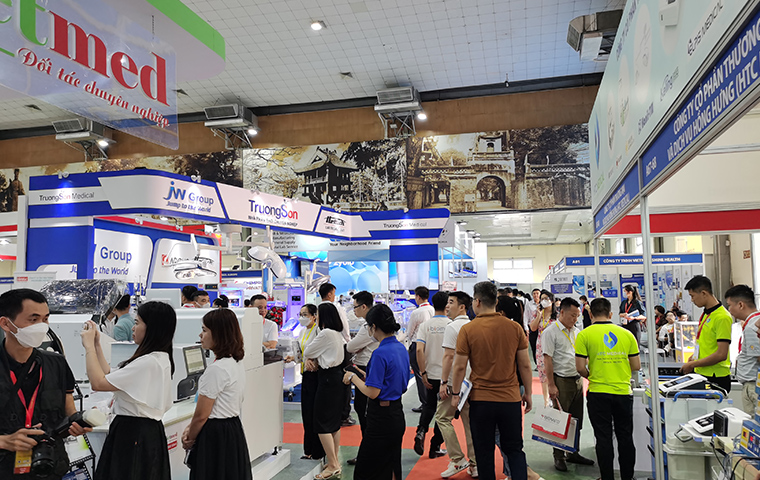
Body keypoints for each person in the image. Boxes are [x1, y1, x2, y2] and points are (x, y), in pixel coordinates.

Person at [0, 289, 91, 480]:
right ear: (5, 323)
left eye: (45, 319)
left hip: (50, 465)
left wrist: (77, 423)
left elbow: (69, 411)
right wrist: (4, 441)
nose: (42, 326)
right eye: (33, 319)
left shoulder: (56, 363)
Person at [81, 301, 176, 480]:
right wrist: (97, 346)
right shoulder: (157, 358)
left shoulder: (148, 362)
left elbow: (98, 383)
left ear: (152, 328)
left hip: (133, 433)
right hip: (142, 432)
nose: (133, 328)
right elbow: (109, 375)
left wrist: (88, 348)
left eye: (137, 323)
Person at [452, 282, 533, 480]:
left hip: (481, 401)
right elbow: (525, 365)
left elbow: (459, 367)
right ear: (496, 301)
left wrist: (455, 394)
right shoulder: (515, 328)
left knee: (484, 452)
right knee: (514, 449)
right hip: (510, 399)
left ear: (477, 301)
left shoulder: (468, 330)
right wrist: (529, 393)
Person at [182, 309, 251, 480]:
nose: (200, 335)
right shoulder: (235, 363)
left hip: (215, 434)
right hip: (232, 429)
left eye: (204, 330)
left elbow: (201, 415)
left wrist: (190, 438)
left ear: (219, 334)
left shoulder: (217, 369)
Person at [575, 298, 640, 480]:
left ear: (590, 314)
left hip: (598, 393)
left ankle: (607, 477)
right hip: (623, 392)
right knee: (625, 437)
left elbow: (580, 367)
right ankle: (627, 477)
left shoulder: (584, 335)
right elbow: (636, 365)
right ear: (610, 314)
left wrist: (593, 375)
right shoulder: (627, 334)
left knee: (603, 438)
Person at [343, 304, 409, 480]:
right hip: (396, 414)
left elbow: (372, 392)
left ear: (373, 326)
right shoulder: (400, 348)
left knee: (366, 471)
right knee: (391, 466)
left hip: (381, 419)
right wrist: (365, 375)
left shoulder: (380, 353)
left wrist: (352, 377)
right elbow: (392, 379)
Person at [542, 297, 594, 471]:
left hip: (577, 380)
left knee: (576, 420)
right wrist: (551, 385)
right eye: (572, 315)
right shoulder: (551, 332)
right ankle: (558, 456)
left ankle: (573, 452)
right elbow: (547, 360)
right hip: (561, 380)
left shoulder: (577, 331)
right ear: (562, 312)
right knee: (560, 420)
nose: (575, 319)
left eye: (577, 315)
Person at [303, 303, 346, 480]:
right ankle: (334, 460)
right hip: (336, 378)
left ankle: (333, 464)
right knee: (333, 423)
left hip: (327, 379)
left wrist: (310, 358)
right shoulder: (336, 333)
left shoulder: (326, 333)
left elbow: (309, 350)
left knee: (321, 423)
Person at [437, 291, 477, 478]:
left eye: (451, 302)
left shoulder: (452, 327)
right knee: (469, 422)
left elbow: (448, 356)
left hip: (456, 382)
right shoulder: (473, 325)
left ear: (462, 307)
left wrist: (444, 382)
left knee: (442, 418)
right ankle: (475, 464)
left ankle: (457, 459)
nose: (447, 306)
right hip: (472, 382)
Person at [679, 275, 733, 392]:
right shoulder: (706, 313)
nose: (692, 300)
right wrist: (694, 358)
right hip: (702, 372)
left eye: (692, 296)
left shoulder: (722, 317)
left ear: (704, 293)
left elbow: (721, 354)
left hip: (716, 377)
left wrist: (693, 364)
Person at [286, 304, 325, 461]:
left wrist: (312, 360)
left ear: (314, 316)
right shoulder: (302, 331)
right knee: (306, 413)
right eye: (300, 314)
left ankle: (318, 451)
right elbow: (302, 352)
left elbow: (320, 352)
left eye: (305, 314)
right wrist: (294, 357)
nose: (302, 317)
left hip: (316, 375)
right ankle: (308, 449)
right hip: (305, 375)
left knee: (315, 414)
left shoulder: (319, 332)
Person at [345, 291, 379, 465]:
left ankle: (368, 453)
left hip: (365, 367)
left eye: (355, 307)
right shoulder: (371, 324)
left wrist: (356, 346)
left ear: (364, 306)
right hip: (370, 366)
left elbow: (351, 347)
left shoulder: (368, 327)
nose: (354, 310)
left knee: (364, 411)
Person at [414, 291, 449, 459]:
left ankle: (421, 431)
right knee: (443, 414)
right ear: (447, 305)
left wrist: (423, 372)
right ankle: (435, 446)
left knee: (429, 405)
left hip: (430, 374)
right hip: (447, 377)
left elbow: (419, 350)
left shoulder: (425, 326)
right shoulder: (451, 325)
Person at [318, 283, 353, 426]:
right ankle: (344, 415)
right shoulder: (336, 308)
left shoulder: (317, 308)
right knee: (345, 381)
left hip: (323, 349)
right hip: (341, 346)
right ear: (330, 294)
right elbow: (345, 328)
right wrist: (349, 344)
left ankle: (332, 413)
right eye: (333, 293)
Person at [725, 285, 760, 414]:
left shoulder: (753, 327)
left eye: (730, 305)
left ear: (740, 305)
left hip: (753, 385)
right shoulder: (752, 323)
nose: (729, 310)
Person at [406, 286, 434, 413]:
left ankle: (425, 402)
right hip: (430, 345)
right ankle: (431, 401)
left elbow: (409, 332)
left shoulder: (416, 312)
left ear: (417, 297)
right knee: (430, 373)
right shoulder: (433, 309)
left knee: (419, 374)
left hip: (417, 344)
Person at [530, 289, 556, 407]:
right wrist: (539, 316)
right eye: (542, 299)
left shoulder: (557, 315)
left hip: (555, 346)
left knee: (554, 371)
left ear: (552, 300)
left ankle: (554, 399)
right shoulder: (537, 313)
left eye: (546, 299)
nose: (543, 301)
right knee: (543, 374)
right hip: (541, 346)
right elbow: (533, 328)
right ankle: (546, 401)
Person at [523, 289, 541, 362]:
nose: (536, 295)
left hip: (542, 327)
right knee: (534, 346)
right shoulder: (529, 304)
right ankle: (536, 362)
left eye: (537, 293)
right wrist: (526, 327)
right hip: (532, 327)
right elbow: (526, 316)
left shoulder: (542, 304)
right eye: (534, 293)